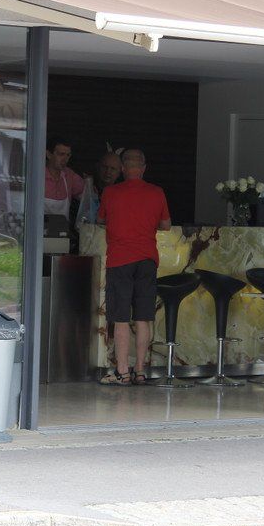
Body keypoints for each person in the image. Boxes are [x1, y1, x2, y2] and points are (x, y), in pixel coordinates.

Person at [96, 149, 171, 385]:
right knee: (143, 318)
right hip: (147, 260)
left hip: (120, 260)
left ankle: (122, 372)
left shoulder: (110, 192)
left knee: (120, 318)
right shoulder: (157, 192)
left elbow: (100, 220)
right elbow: (166, 225)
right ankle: (139, 370)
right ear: (144, 168)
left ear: (123, 168)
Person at [44, 136, 84, 222]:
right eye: (61, 154)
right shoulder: (38, 176)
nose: (65, 159)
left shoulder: (69, 175)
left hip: (63, 229)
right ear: (48, 154)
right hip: (38, 229)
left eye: (68, 155)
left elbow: (86, 196)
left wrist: (89, 186)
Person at [76, 151, 122, 224]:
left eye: (113, 169)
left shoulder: (122, 193)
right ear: (98, 167)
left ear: (119, 172)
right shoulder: (87, 186)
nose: (108, 171)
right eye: (105, 167)